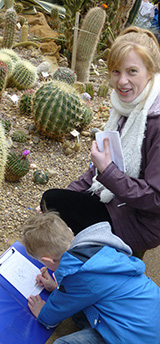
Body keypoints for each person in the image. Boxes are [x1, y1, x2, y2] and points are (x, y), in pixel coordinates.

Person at [39, 26, 160, 259]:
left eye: (132, 71)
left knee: (54, 208)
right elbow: (95, 174)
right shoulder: (126, 107)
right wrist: (57, 209)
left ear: (151, 72)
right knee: (52, 202)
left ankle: (115, 259)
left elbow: (156, 199)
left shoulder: (154, 122)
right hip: (114, 200)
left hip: (139, 222)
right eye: (116, 71)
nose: (122, 81)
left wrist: (109, 172)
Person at [23, 211, 160, 344]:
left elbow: (53, 315)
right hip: (151, 321)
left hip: (139, 343)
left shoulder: (79, 275)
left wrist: (43, 314)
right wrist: (57, 288)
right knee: (78, 313)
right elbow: (92, 289)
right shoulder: (99, 246)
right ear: (69, 230)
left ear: (47, 261)